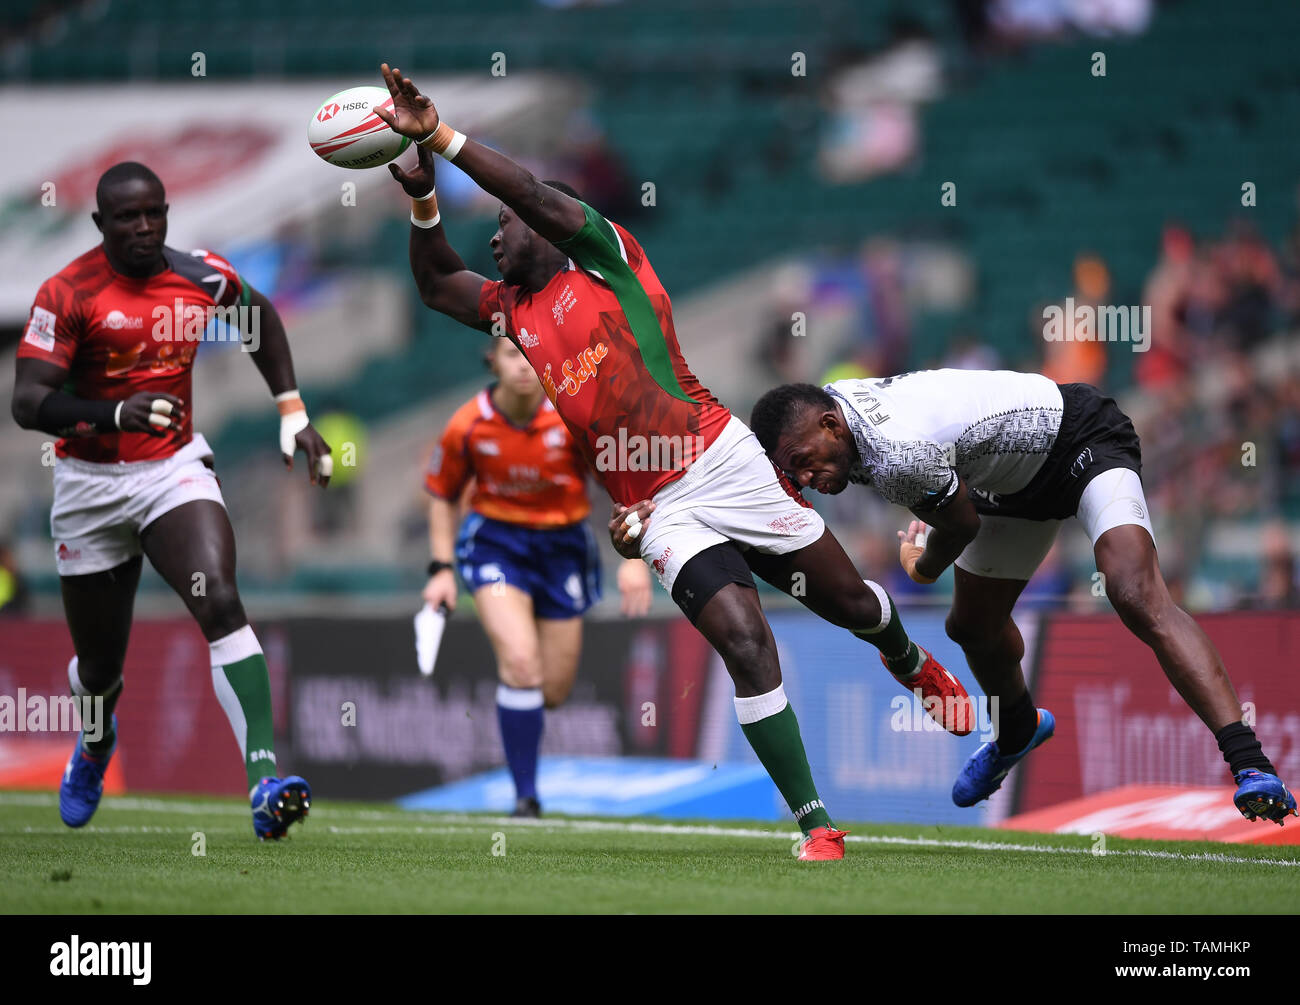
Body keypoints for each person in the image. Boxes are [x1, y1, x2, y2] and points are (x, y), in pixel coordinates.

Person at [374, 63, 969, 860]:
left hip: (721, 457)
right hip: (658, 511)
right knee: (745, 639)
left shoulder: (606, 259)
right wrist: (422, 195)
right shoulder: (513, 312)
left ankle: (908, 658)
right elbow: (440, 284)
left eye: (505, 227)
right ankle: (815, 822)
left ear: (543, 226)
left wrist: (443, 136)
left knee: (854, 606)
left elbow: (531, 194)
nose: (495, 238)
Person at [749, 370, 1297, 824]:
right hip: (1007, 482)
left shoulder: (895, 456)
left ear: (830, 424)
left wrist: (922, 566)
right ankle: (1017, 730)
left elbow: (958, 525)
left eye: (804, 459)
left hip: (1078, 441)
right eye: (791, 471)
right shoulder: (835, 415)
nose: (805, 477)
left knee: (1133, 591)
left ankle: (1250, 762)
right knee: (972, 626)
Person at [10, 162, 331, 840]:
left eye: (155, 212)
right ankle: (96, 744)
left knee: (219, 597)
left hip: (171, 471)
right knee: (98, 670)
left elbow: (260, 318)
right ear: (100, 224)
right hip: (89, 490)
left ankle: (265, 780)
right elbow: (28, 402)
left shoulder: (201, 275)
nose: (145, 226)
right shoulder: (68, 293)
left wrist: (292, 410)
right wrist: (113, 412)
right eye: (128, 217)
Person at [421, 337, 652, 816]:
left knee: (552, 690)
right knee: (522, 664)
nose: (524, 367)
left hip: (563, 550)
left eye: (530, 356)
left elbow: (619, 482)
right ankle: (526, 798)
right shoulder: (467, 424)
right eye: (511, 355)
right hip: (496, 546)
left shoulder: (572, 418)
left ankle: (515, 698)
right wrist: (441, 569)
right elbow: (442, 494)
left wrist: (633, 559)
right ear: (492, 361)